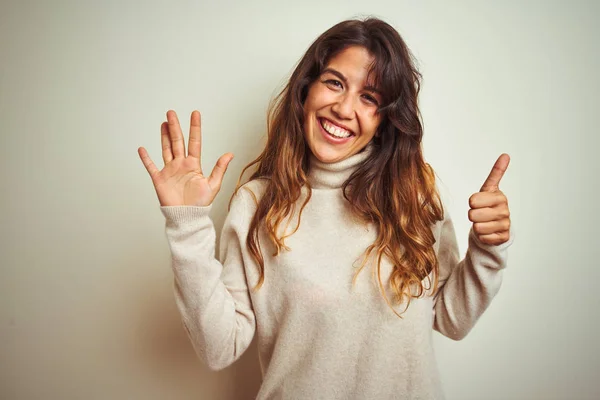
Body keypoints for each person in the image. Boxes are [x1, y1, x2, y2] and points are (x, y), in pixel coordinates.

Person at [138, 17, 513, 400]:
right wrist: (187, 226)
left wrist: (487, 249)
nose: (344, 108)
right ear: (305, 91)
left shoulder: (414, 197)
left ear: (385, 121)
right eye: (334, 83)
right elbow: (220, 347)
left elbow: (451, 320)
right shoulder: (256, 205)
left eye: (370, 98)